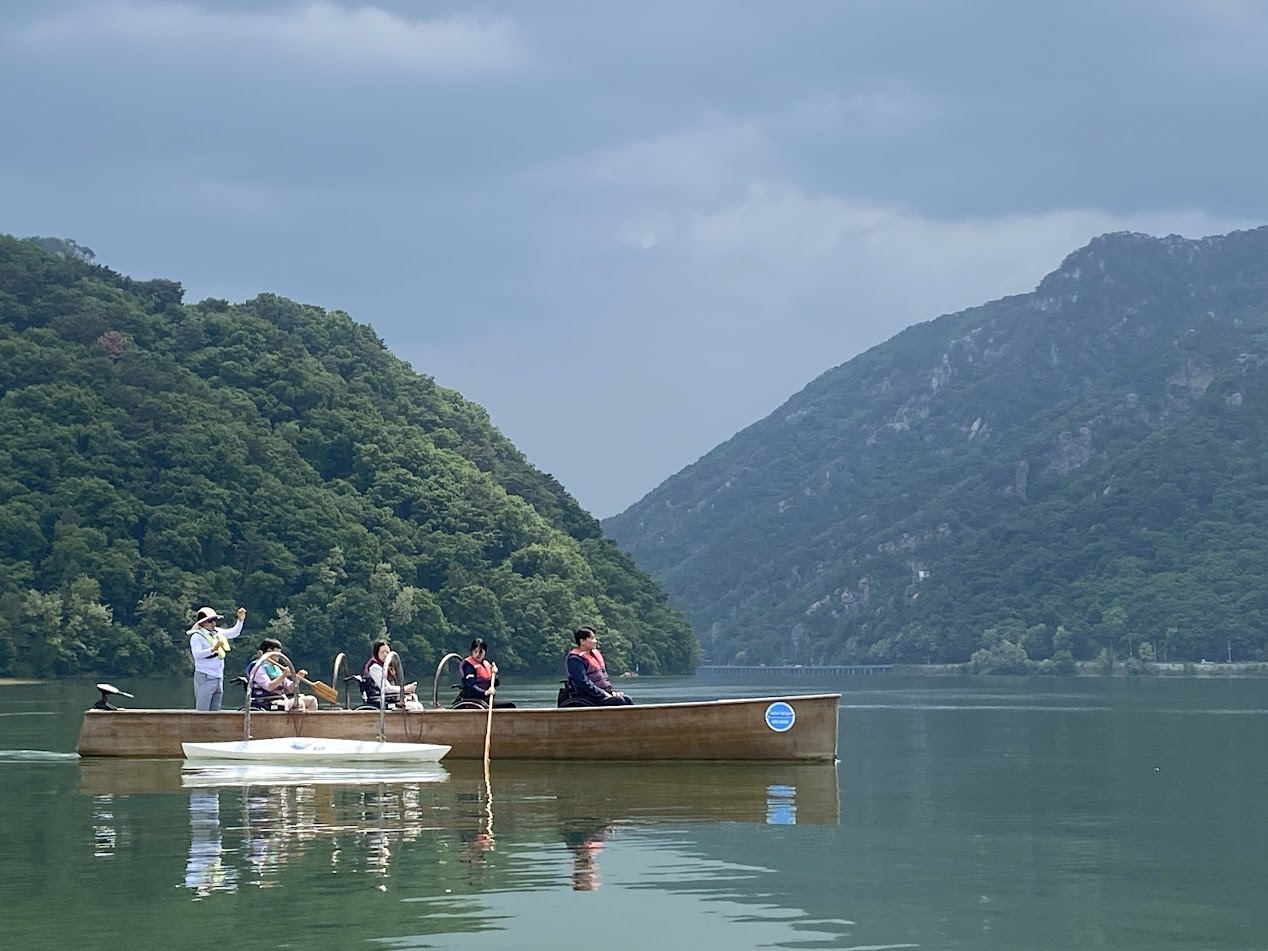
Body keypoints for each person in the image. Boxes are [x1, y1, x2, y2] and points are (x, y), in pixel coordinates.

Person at [189, 606, 245, 711]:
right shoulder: (197, 636)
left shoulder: (217, 633)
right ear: (202, 623)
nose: (213, 623)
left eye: (214, 620)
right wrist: (212, 649)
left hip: (218, 677)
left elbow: (234, 633)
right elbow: (197, 654)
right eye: (210, 621)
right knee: (203, 710)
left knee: (216, 711)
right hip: (205, 676)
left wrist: (240, 620)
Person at [566, 627, 634, 705]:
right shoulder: (575, 659)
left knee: (627, 699)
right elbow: (583, 683)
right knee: (619, 701)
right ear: (582, 641)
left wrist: (611, 692)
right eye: (592, 638)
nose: (595, 641)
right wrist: (603, 693)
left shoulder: (594, 654)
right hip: (588, 696)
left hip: (600, 694)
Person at [248, 638, 317, 712]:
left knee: (311, 700)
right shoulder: (258, 668)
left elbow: (290, 688)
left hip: (281, 698)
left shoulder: (276, 668)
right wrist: (284, 675)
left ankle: (310, 723)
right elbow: (269, 687)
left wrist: (297, 678)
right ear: (269, 652)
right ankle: (296, 723)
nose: (279, 657)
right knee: (299, 704)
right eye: (277, 654)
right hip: (267, 701)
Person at [363, 639, 424, 711]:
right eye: (382, 652)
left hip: (389, 699)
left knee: (415, 701)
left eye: (387, 652)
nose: (385, 654)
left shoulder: (389, 667)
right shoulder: (374, 668)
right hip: (379, 701)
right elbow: (386, 689)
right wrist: (405, 689)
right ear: (377, 653)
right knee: (414, 707)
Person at [458, 638, 516, 708]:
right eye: (475, 651)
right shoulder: (468, 666)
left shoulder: (487, 664)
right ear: (472, 652)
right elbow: (470, 687)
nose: (478, 655)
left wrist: (495, 674)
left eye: (481, 652)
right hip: (472, 701)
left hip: (486, 701)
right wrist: (485, 693)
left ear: (485, 652)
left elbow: (496, 684)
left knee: (511, 706)